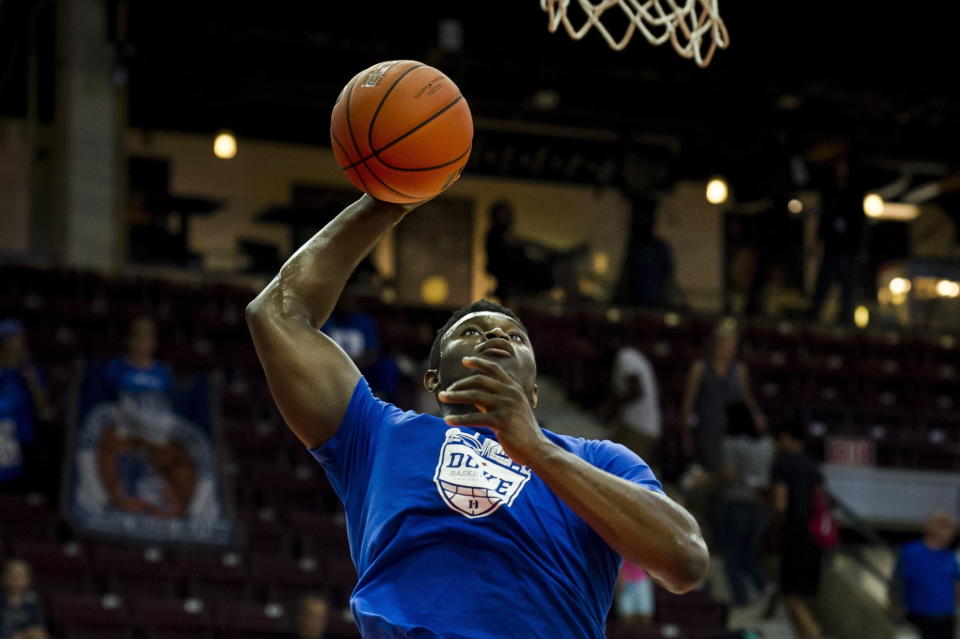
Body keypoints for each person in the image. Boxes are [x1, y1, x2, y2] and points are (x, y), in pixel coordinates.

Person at [245, 194, 709, 638]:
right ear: (434, 380)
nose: (497, 335)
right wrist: (388, 200)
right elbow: (277, 314)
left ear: (533, 391)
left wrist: (537, 450)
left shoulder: (601, 461)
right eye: (471, 330)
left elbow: (685, 560)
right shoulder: (376, 433)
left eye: (516, 336)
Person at [679, 319, 766, 473]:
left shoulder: (740, 370)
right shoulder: (699, 369)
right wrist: (686, 435)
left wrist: (756, 414)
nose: (727, 348)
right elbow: (688, 404)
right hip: (708, 428)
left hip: (732, 431)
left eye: (731, 344)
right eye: (724, 343)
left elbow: (746, 397)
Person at [716, 402, 774, 610]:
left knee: (732, 555)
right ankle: (763, 588)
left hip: (738, 503)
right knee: (749, 555)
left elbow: (729, 475)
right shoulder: (767, 445)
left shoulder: (731, 443)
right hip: (760, 506)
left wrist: (707, 478)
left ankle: (741, 600)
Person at [770, 419, 824, 639]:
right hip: (815, 535)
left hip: (795, 533)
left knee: (791, 595)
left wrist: (775, 528)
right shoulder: (813, 465)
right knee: (797, 595)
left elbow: (780, 503)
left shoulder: (782, 462)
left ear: (786, 437)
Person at [808, 151, 864, 324]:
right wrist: (817, 242)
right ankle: (814, 318)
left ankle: (845, 322)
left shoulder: (855, 193)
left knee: (847, 292)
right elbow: (823, 220)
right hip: (831, 250)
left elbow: (861, 223)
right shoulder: (829, 192)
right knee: (822, 289)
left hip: (848, 251)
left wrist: (862, 248)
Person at [889, 511, 960, 639]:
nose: (951, 534)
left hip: (945, 620)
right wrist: (895, 608)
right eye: (947, 528)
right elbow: (896, 584)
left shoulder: (949, 557)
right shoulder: (910, 553)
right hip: (917, 618)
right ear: (934, 528)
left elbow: (956, 587)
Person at [0, 319, 53, 490]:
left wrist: (31, 380)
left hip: (24, 436)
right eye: (13, 338)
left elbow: (44, 406)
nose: (18, 343)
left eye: (20, 338)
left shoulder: (31, 371)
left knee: (21, 489)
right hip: (1, 435)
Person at [613, 195, 676, 309]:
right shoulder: (631, 249)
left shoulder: (659, 249)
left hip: (653, 308)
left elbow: (667, 280)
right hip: (633, 307)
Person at [608, 344, 661, 464]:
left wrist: (613, 406)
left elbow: (637, 391)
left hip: (640, 428)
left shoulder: (626, 357)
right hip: (632, 425)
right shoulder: (634, 356)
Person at [0, 559, 48, 639]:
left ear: (28, 579)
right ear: (2, 578)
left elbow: (38, 628)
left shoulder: (32, 601)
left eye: (21, 576)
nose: (16, 580)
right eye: (12, 575)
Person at [615, 560, 654, 628]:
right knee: (627, 616)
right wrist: (619, 576)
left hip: (642, 580)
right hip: (626, 580)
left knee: (645, 614)